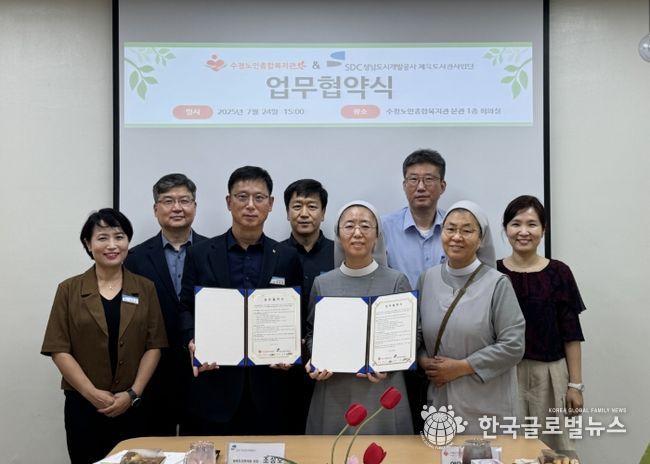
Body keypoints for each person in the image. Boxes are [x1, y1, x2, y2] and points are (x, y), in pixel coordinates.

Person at [178, 165, 304, 435]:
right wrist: (191, 340)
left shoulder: (287, 257)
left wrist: (291, 349)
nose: (250, 205)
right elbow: (185, 307)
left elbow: (296, 315)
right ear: (228, 202)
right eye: (242, 196)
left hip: (270, 390)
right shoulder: (200, 254)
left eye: (259, 198)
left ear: (271, 204)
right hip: (216, 387)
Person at [41, 209, 167, 464]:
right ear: (88, 244)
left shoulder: (145, 288)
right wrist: (91, 393)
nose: (112, 245)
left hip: (134, 406)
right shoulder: (68, 289)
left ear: (127, 242)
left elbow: (154, 345)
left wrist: (133, 393)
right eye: (102, 238)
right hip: (84, 406)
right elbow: (59, 348)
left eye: (119, 237)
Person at [305, 200, 413, 435]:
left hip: (383, 387)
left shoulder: (396, 281)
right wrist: (317, 358)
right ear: (338, 235)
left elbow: (414, 335)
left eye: (365, 226)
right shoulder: (323, 283)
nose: (357, 233)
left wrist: (390, 364)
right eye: (349, 226)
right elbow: (312, 333)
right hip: (334, 387)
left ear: (377, 235)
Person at [417, 200, 525, 434]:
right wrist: (424, 360)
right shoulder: (427, 279)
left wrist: (462, 367)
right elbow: (418, 334)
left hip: (487, 403)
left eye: (467, 230)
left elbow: (513, 346)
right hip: (441, 402)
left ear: (481, 239)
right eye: (450, 229)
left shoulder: (497, 283)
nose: (457, 237)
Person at [497, 195, 586, 450]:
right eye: (516, 224)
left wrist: (575, 386)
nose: (523, 231)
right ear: (506, 229)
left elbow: (571, 333)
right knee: (508, 448)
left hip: (550, 374)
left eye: (532, 224)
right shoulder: (492, 272)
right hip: (504, 376)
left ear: (543, 230)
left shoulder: (559, 272)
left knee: (554, 450)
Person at [124, 173, 208, 436]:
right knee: (156, 447)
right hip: (153, 373)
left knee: (202, 447)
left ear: (195, 206)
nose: (177, 208)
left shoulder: (214, 252)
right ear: (155, 209)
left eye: (185, 200)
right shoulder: (134, 258)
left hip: (204, 371)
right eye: (168, 201)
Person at [382, 149, 447, 288]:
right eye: (413, 179)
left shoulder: (455, 228)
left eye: (429, 179)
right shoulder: (383, 227)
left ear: (442, 186)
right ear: (404, 186)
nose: (421, 187)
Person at [282, 178, 335, 301]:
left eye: (312, 206)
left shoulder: (339, 253)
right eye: (297, 206)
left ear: (323, 213)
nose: (304, 214)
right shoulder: (275, 254)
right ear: (287, 213)